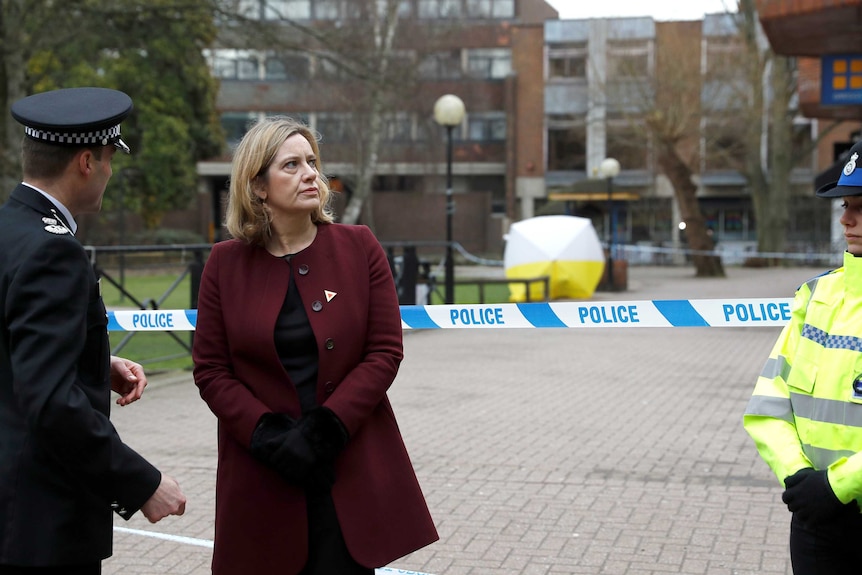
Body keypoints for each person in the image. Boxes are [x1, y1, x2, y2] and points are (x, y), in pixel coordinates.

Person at [192, 116, 438, 575]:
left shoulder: (358, 246)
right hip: (263, 473)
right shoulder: (224, 264)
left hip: (345, 470)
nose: (310, 173)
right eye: (291, 165)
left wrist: (325, 429)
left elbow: (384, 351)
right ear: (258, 186)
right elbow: (210, 369)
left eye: (312, 162)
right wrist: (267, 434)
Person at [0, 87, 187, 574]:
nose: (109, 171)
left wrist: (91, 360)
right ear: (87, 161)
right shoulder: (52, 252)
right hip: (39, 526)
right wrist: (142, 482)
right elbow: (51, 403)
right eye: (109, 159)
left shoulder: (9, 230)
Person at [744, 139, 862, 573]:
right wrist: (799, 478)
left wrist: (838, 484)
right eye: (846, 204)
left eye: (860, 206)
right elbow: (769, 401)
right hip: (817, 519)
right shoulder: (816, 296)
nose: (846, 218)